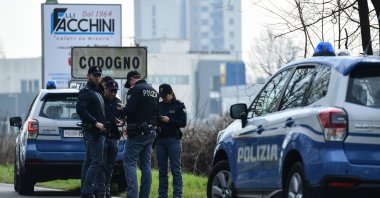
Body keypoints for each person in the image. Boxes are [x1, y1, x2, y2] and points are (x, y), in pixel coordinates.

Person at [123, 70, 159, 198]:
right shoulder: (153, 91)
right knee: (146, 166)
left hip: (137, 133)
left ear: (132, 79)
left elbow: (130, 109)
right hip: (151, 132)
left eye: (130, 83)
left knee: (129, 162)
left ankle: (132, 195)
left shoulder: (136, 90)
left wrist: (122, 110)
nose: (130, 86)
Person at [76, 66, 107, 198]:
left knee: (89, 161)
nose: (97, 77)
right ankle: (87, 191)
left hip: (99, 132)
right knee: (97, 161)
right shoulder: (86, 91)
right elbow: (81, 110)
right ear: (88, 76)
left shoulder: (96, 91)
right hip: (93, 132)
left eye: (99, 75)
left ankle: (85, 189)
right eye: (95, 75)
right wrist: (95, 122)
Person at [156, 83, 187, 198]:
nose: (163, 98)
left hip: (173, 141)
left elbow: (183, 123)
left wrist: (169, 120)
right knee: (162, 171)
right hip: (160, 141)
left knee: (175, 170)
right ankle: (162, 195)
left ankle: (177, 195)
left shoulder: (179, 105)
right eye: (161, 96)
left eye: (165, 95)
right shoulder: (158, 105)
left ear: (170, 93)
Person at [96, 79, 123, 198]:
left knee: (110, 166)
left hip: (114, 137)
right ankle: (101, 190)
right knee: (101, 165)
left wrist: (120, 121)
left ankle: (106, 188)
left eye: (115, 91)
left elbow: (122, 118)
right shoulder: (100, 100)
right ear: (105, 89)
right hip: (102, 137)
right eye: (111, 91)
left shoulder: (118, 102)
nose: (113, 93)